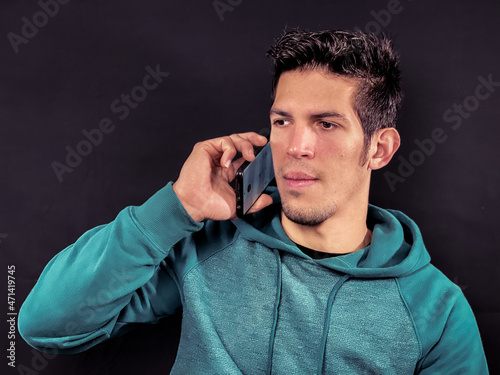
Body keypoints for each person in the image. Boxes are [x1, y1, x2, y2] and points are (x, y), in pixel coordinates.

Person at [19, 29, 489, 374]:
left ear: (379, 149)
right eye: (283, 121)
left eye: (326, 124)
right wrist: (178, 207)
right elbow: (45, 326)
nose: (296, 145)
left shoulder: (436, 311)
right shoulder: (207, 246)